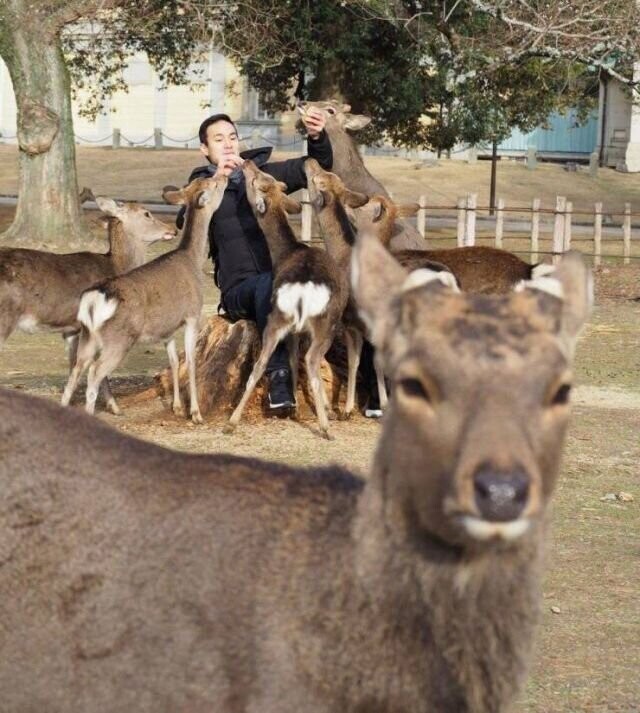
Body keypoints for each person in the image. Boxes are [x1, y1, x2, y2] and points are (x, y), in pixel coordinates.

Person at [177, 109, 332, 412]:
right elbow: (187, 225)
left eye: (232, 137)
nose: (228, 145)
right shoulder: (201, 185)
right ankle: (279, 380)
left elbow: (315, 168)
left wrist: (317, 137)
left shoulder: (262, 174)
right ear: (205, 150)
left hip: (283, 280)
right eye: (218, 140)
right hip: (240, 291)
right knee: (266, 285)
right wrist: (217, 181)